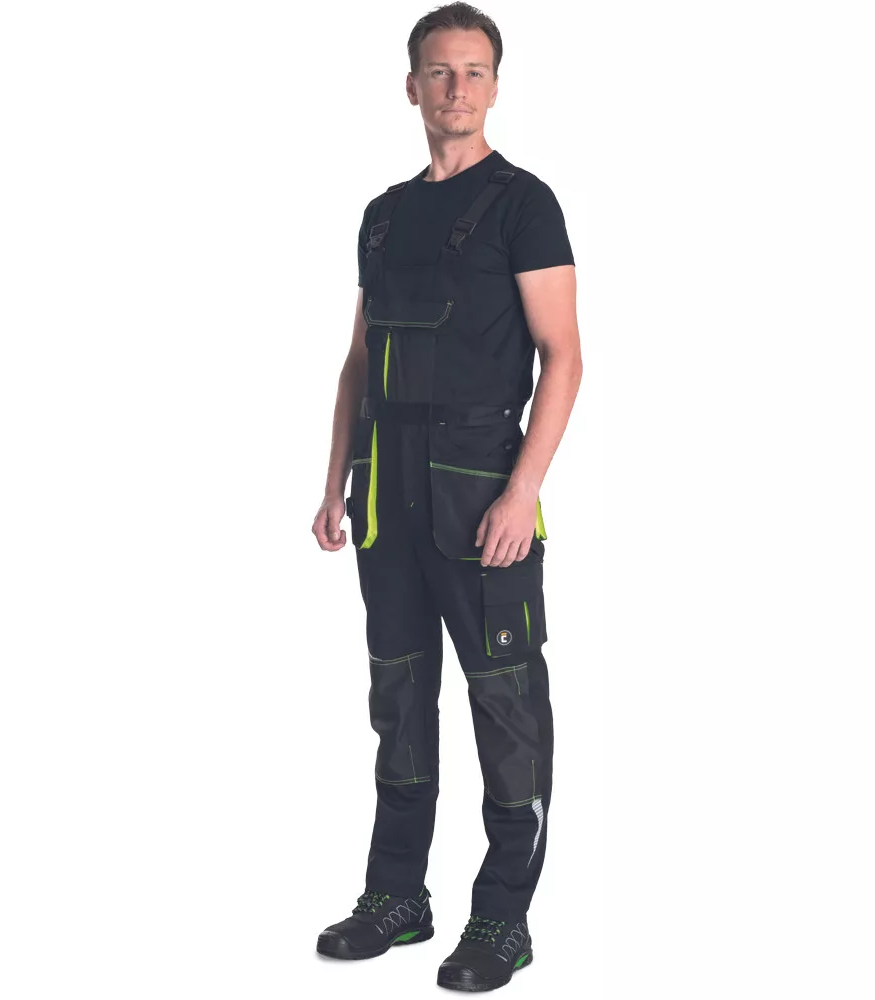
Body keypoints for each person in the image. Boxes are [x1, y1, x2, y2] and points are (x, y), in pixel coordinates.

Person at [311, 3, 581, 991]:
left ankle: (503, 917)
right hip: (385, 495)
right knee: (397, 698)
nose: (456, 87)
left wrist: (522, 491)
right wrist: (335, 481)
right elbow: (358, 362)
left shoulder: (525, 205)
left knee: (505, 705)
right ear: (412, 86)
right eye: (439, 71)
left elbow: (564, 358)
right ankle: (397, 896)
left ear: (495, 87)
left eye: (473, 71)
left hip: (480, 489)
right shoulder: (383, 216)